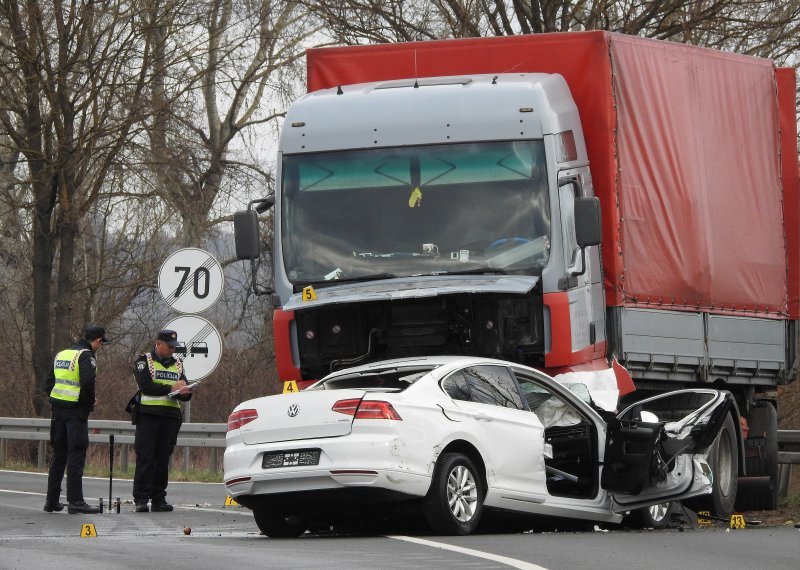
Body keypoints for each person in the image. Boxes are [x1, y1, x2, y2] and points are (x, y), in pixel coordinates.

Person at [43, 325, 108, 514]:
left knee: (59, 455)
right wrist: (88, 405)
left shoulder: (62, 354)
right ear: (98, 341)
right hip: (75, 413)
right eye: (101, 343)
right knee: (76, 454)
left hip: (58, 411)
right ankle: (76, 501)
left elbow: (49, 383)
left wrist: (58, 400)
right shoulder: (86, 356)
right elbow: (88, 383)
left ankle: (52, 501)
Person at [132, 330, 191, 512]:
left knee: (163, 459)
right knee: (146, 458)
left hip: (170, 417)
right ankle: (141, 498)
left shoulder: (178, 364)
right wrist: (171, 387)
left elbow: (184, 389)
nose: (173, 350)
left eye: (174, 346)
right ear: (159, 344)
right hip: (149, 416)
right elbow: (147, 387)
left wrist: (186, 392)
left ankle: (159, 498)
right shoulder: (144, 361)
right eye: (170, 346)